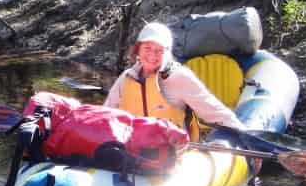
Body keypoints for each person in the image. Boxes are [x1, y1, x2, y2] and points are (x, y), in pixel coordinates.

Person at [104, 21, 245, 140]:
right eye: (147, 48)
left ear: (167, 53)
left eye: (159, 50)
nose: (152, 55)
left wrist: (245, 136)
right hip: (132, 150)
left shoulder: (179, 77)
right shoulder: (127, 77)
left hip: (170, 155)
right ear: (138, 50)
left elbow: (214, 111)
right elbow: (106, 113)